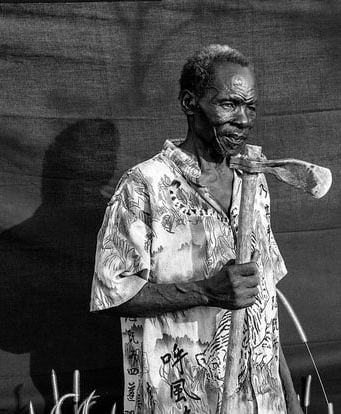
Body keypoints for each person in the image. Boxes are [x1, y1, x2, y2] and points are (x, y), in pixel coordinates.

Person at [91, 44, 302, 414]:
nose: (244, 119)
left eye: (250, 106)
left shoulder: (252, 183)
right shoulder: (144, 187)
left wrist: (288, 394)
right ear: (190, 103)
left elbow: (262, 303)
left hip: (262, 403)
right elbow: (112, 294)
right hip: (185, 402)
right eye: (229, 104)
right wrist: (205, 291)